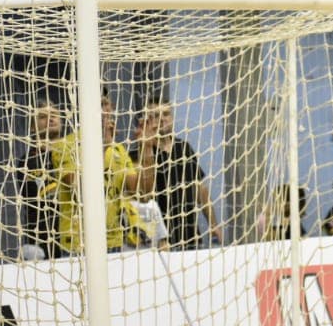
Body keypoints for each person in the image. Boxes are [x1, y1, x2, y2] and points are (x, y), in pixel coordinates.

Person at [52, 90, 153, 254]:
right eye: (98, 105)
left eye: (105, 104)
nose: (103, 110)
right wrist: (103, 146)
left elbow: (143, 194)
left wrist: (147, 148)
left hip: (113, 240)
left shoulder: (119, 150)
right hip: (78, 243)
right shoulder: (66, 145)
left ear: (112, 108)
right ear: (83, 109)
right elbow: (79, 188)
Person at [130, 100, 219, 248]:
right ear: (148, 122)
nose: (162, 119)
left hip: (190, 236)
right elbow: (143, 195)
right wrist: (147, 147)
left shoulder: (184, 148)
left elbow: (200, 190)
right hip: (158, 242)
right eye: (156, 116)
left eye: (166, 114)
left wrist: (213, 224)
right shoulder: (137, 154)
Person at [16, 100, 64, 260]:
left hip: (76, 238)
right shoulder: (27, 162)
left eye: (54, 115)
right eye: (43, 116)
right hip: (43, 242)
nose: (51, 119)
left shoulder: (75, 154)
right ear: (32, 127)